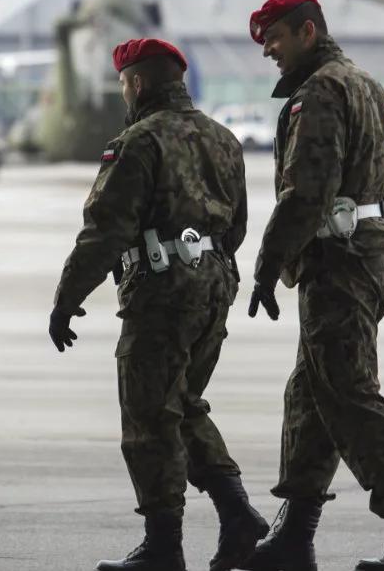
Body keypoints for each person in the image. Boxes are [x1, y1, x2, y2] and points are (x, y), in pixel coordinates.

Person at [240, 0, 384, 571]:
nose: (271, 52)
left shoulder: (321, 93)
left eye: (277, 39)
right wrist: (378, 241)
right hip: (365, 251)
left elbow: (307, 190)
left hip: (338, 259)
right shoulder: (365, 84)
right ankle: (294, 533)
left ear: (307, 32)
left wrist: (267, 265)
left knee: (349, 391)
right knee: (312, 392)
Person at [50, 38, 267, 571]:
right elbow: (237, 226)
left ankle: (163, 547)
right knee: (183, 403)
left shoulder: (138, 141)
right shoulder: (224, 139)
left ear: (138, 82)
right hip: (216, 285)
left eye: (123, 82)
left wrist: (66, 300)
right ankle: (237, 512)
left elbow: (105, 231)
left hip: (163, 291)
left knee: (149, 415)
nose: (123, 91)